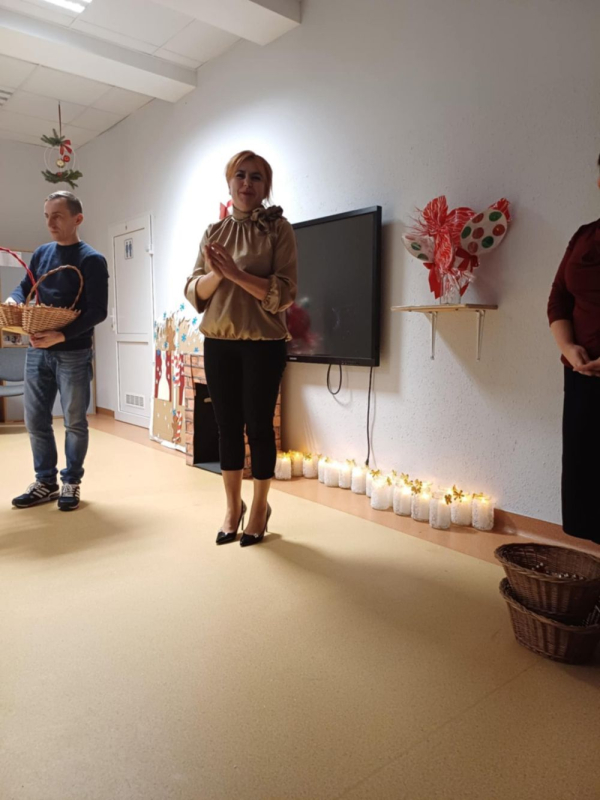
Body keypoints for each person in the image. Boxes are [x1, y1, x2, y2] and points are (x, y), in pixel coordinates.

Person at [184, 150, 297, 546]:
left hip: (263, 346)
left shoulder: (279, 230)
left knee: (260, 428)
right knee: (227, 427)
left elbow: (284, 294)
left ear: (266, 187)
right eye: (240, 175)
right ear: (229, 182)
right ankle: (233, 508)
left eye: (256, 177)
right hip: (219, 344)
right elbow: (194, 290)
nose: (247, 183)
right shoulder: (213, 232)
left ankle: (260, 507)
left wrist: (235, 273)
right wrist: (218, 275)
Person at [7, 191, 109, 511]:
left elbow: (97, 311)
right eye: (47, 216)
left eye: (57, 216)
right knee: (35, 419)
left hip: (74, 353)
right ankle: (46, 482)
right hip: (37, 349)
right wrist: (13, 300)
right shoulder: (41, 253)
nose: (50, 223)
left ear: (77, 219)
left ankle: (71, 481)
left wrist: (61, 335)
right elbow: (25, 287)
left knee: (75, 421)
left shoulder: (92, 260)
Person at [548, 154, 600, 545]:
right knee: (588, 486)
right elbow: (559, 298)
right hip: (583, 378)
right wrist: (568, 346)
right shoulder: (585, 235)